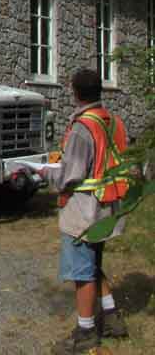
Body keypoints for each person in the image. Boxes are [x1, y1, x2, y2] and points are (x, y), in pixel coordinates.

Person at [38, 68, 129, 354]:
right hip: (107, 206)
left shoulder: (82, 128)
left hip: (84, 210)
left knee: (82, 272)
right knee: (94, 264)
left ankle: (86, 331)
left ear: (75, 92)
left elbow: (70, 175)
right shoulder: (113, 121)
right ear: (98, 90)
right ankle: (112, 317)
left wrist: (45, 173)